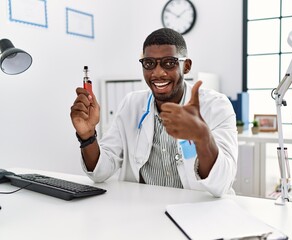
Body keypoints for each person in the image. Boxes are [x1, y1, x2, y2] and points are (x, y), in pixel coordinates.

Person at [70, 28, 238, 197]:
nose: (158, 73)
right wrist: (87, 135)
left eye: (169, 63)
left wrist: (203, 137)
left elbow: (221, 184)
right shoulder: (131, 104)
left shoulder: (216, 106)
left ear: (186, 66)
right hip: (146, 211)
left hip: (200, 213)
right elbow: (100, 172)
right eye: (149, 63)